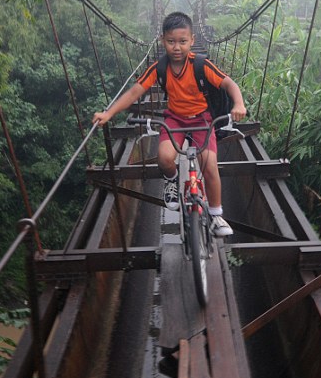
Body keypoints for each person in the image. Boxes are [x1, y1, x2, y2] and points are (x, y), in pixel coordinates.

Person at [92, 12, 247, 236]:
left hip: (202, 119)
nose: (177, 47)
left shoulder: (201, 65)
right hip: (174, 118)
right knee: (164, 158)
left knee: (209, 164)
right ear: (162, 40)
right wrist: (108, 113)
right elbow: (136, 91)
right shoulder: (159, 68)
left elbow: (229, 84)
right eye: (171, 41)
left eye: (183, 42)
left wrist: (239, 103)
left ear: (192, 41)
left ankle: (216, 215)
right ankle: (172, 180)